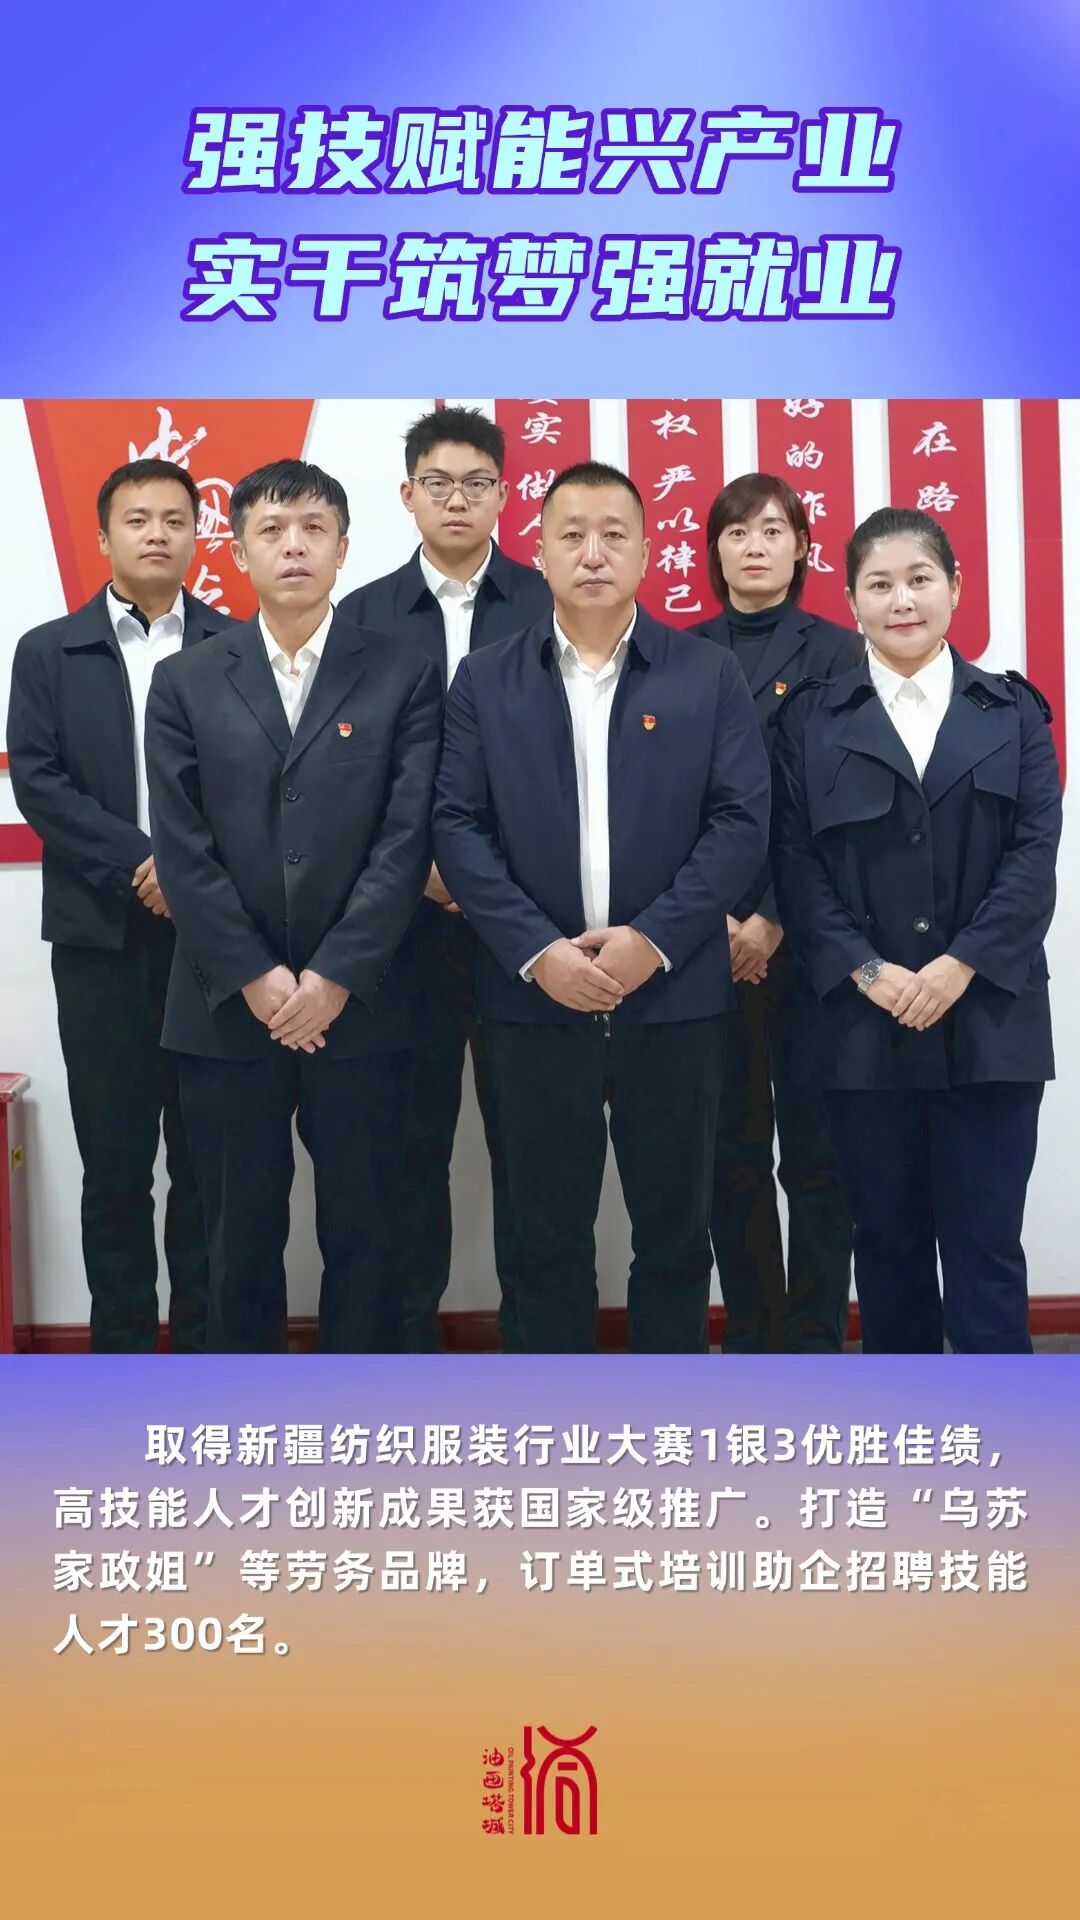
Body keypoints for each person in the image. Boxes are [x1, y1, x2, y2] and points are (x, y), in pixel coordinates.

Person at [433, 460, 771, 1353]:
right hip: (531, 1004)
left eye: (614, 534)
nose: (592, 553)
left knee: (676, 1233)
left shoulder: (707, 674)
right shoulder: (485, 679)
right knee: (540, 1236)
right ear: (538, 552)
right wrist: (539, 952)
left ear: (648, 553)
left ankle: (664, 1412)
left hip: (677, 1000)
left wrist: (653, 940)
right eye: (572, 535)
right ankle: (555, 1412)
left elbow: (741, 823)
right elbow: (456, 826)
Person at [144, 459, 442, 1353]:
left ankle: (357, 1404)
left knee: (367, 1227)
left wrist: (334, 975)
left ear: (344, 548)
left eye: (314, 528)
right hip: (227, 1006)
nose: (294, 546)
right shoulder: (187, 681)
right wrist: (257, 977)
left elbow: (406, 838)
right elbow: (183, 849)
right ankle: (247, 1406)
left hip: (364, 1003)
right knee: (235, 1233)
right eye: (271, 531)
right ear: (237, 553)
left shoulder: (402, 672)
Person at [771, 506, 1061, 1354]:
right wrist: (869, 971)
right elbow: (795, 864)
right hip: (863, 1027)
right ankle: (910, 1425)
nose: (902, 600)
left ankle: (1001, 1428)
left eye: (920, 579)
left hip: (990, 1021)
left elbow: (1034, 856)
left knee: (985, 1250)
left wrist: (958, 966)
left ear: (955, 588)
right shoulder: (810, 720)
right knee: (887, 1250)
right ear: (851, 601)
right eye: (880, 584)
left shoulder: (1011, 713)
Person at [339, 406, 551, 1352]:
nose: (457, 499)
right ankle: (406, 1351)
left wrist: (490, 877)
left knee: (532, 1145)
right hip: (403, 927)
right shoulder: (362, 615)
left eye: (476, 483)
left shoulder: (549, 603)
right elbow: (346, 772)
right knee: (407, 1147)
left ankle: (536, 1348)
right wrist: (418, 870)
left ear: (504, 495)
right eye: (438, 483)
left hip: (527, 924)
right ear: (407, 494)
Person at [6, 458, 229, 1352]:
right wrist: (143, 863)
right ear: (103, 537)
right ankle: (123, 1355)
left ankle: (207, 1351)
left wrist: (188, 873)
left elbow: (256, 787)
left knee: (208, 1163)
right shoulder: (48, 651)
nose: (157, 534)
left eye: (175, 519)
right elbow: (40, 783)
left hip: (212, 942)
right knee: (114, 1163)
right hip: (99, 940)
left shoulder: (234, 646)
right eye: (138, 519)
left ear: (198, 536)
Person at [692, 474, 856, 1353]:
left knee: (819, 1154)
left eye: (772, 530)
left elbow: (835, 808)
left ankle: (816, 1333)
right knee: (734, 1151)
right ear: (713, 550)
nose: (754, 546)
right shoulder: (679, 653)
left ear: (802, 547)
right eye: (737, 532)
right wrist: (718, 920)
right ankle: (754, 1334)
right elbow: (668, 808)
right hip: (708, 945)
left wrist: (772, 918)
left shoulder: (840, 655)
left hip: (813, 944)